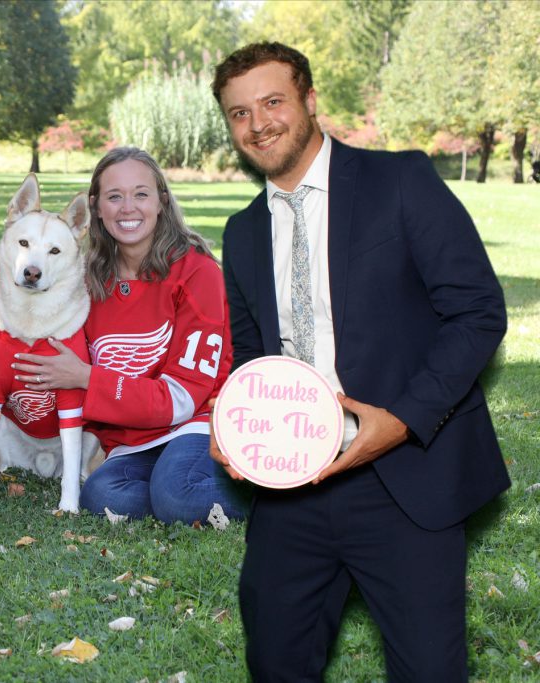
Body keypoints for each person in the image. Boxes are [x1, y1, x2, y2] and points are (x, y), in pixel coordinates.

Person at [210, 42, 508, 681]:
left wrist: (400, 420)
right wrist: (235, 430)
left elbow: (478, 311)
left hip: (404, 474)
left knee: (429, 669)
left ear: (310, 101)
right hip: (290, 481)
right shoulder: (240, 232)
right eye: (239, 113)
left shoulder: (399, 180)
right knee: (274, 659)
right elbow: (252, 357)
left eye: (272, 102)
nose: (258, 123)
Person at [11, 147, 247, 525]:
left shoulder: (197, 273)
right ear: (96, 209)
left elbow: (182, 399)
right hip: (132, 438)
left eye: (141, 194)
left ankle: (276, 496)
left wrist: (86, 378)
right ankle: (172, 485)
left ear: (161, 202)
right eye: (114, 196)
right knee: (102, 496)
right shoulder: (85, 279)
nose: (128, 208)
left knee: (179, 496)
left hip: (195, 422)